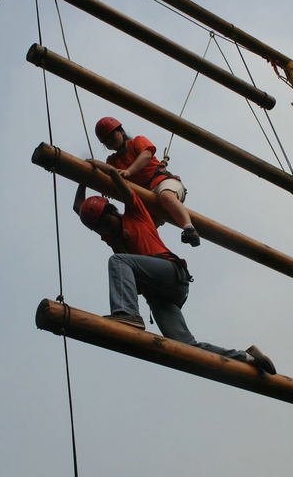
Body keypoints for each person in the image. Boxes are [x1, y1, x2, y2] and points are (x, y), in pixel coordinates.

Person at [73, 160, 276, 375]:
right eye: (98, 228)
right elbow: (78, 207)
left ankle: (127, 314)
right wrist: (82, 180)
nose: (103, 230)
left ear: (112, 212)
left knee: (119, 261)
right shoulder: (109, 236)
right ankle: (249, 357)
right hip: (159, 294)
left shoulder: (135, 214)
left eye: (105, 223)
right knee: (184, 347)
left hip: (171, 273)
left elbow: (115, 175)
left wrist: (90, 165)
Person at [92, 116, 201, 247]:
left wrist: (129, 171)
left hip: (162, 183)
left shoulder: (137, 141)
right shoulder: (112, 161)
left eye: (111, 135)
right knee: (137, 229)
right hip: (144, 199)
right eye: (106, 140)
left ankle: (189, 229)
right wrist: (107, 188)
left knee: (166, 196)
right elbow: (110, 178)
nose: (110, 141)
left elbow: (147, 155)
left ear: (121, 131)